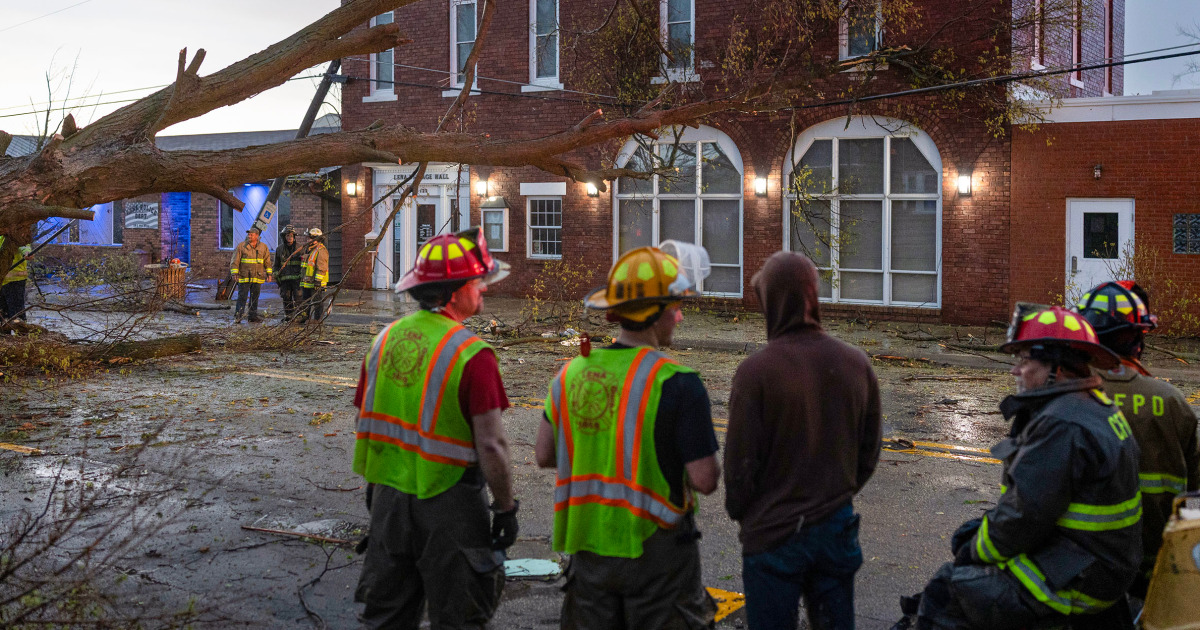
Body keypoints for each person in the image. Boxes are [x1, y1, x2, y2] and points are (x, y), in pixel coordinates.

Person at [900, 305, 1142, 630]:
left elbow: (1022, 517)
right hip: (1096, 561)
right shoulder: (1094, 405)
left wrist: (973, 551)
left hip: (1081, 578)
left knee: (948, 588)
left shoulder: (1062, 423)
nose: (1016, 371)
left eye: (1025, 360)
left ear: (1057, 367)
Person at [535, 244, 721, 630]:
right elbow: (704, 480)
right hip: (659, 558)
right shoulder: (679, 383)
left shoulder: (570, 373)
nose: (680, 316)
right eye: (674, 307)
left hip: (589, 553)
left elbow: (544, 454)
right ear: (653, 314)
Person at [352, 227, 517, 630]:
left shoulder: (385, 339)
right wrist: (506, 506)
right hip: (450, 506)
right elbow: (492, 446)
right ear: (455, 291)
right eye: (477, 281)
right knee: (459, 618)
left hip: (388, 500)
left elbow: (364, 419)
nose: (482, 289)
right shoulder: (472, 355)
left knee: (386, 617)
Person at [724, 251, 881, 630]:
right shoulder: (855, 363)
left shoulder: (755, 373)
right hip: (835, 529)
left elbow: (739, 467)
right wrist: (834, 496)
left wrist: (747, 513)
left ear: (771, 302)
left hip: (772, 537)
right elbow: (868, 453)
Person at [1075, 281, 1199, 598]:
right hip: (1158, 568)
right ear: (1136, 338)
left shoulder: (1065, 396)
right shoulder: (1171, 402)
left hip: (1081, 571)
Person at [229, 226, 272, 323]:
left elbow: (267, 262)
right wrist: (234, 272)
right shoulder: (241, 246)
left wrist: (269, 274)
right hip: (244, 277)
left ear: (257, 236)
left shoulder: (263, 247)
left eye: (251, 234)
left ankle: (252, 317)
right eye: (248, 234)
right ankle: (238, 316)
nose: (249, 236)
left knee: (254, 298)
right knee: (242, 297)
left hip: (257, 277)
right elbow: (235, 261)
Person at [0, 227, 32, 323]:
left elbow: (24, 247)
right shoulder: (1, 236)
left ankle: (21, 335)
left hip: (15, 281)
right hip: (2, 281)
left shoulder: (17, 233)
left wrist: (27, 253)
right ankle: (6, 336)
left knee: (16, 315)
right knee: (3, 316)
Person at [299, 227, 329, 323]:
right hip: (307, 281)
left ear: (317, 239)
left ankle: (317, 320)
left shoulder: (321, 250)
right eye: (308, 238)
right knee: (305, 301)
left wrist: (318, 281)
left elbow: (322, 267)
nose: (308, 240)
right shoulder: (308, 249)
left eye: (310, 238)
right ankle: (305, 317)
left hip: (316, 282)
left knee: (317, 302)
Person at [274, 225, 303, 320]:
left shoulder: (300, 248)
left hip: (297, 279)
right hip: (284, 280)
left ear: (294, 237)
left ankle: (299, 317)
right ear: (284, 237)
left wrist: (302, 275)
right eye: (287, 236)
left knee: (298, 298)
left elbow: (304, 264)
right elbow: (276, 265)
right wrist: (275, 273)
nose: (290, 237)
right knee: (286, 299)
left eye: (291, 235)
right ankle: (289, 317)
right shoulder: (279, 249)